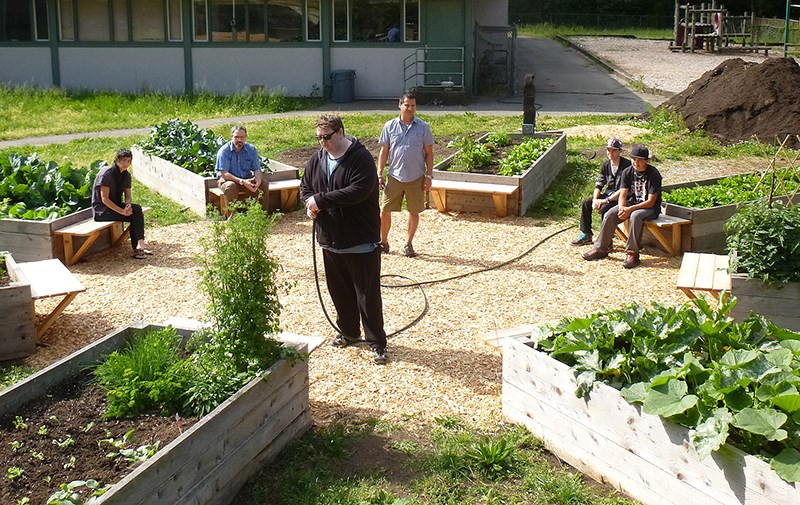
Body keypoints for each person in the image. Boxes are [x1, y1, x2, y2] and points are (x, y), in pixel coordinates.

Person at [300, 113, 389, 365]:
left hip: (360, 240)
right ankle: (348, 332)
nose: (322, 143)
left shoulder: (360, 159)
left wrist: (321, 200)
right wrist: (309, 203)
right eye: (319, 138)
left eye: (327, 137)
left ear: (340, 132)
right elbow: (306, 187)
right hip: (330, 240)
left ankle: (377, 343)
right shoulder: (317, 159)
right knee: (339, 291)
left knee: (366, 295)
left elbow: (358, 191)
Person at [582, 145, 662, 269]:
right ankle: (601, 248)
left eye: (640, 160)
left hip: (649, 208)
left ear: (647, 161)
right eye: (634, 159)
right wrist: (621, 208)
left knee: (635, 216)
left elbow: (651, 201)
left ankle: (632, 253)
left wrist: (629, 210)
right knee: (610, 214)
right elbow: (623, 194)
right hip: (632, 203)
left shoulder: (653, 174)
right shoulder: (628, 171)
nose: (636, 163)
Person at [378, 91, 434, 257]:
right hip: (394, 176)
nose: (410, 108)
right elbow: (384, 151)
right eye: (407, 105)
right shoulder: (389, 126)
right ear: (400, 105)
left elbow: (429, 152)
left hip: (416, 177)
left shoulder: (424, 127)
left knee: (414, 212)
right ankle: (384, 242)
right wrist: (379, 173)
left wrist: (429, 176)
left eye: (413, 106)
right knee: (384, 210)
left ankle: (408, 244)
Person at [571, 138, 632, 246]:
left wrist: (604, 201)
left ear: (620, 151)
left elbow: (624, 190)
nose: (610, 153)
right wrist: (595, 200)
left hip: (621, 198)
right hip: (608, 195)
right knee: (586, 203)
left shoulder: (627, 166)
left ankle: (606, 241)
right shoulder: (606, 165)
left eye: (614, 150)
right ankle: (586, 234)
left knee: (605, 209)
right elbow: (599, 184)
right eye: (608, 150)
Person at [92, 148, 150, 259]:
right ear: (117, 160)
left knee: (136, 209)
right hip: (102, 210)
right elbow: (104, 199)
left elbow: (128, 195)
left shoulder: (126, 175)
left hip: (116, 206)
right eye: (123, 160)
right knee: (134, 215)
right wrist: (122, 211)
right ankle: (138, 247)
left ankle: (140, 242)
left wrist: (128, 206)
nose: (126, 164)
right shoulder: (106, 174)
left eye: (128, 161)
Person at [215, 125, 269, 213]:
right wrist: (241, 181)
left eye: (242, 137)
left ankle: (261, 214)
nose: (239, 140)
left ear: (246, 137)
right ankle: (232, 217)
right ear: (231, 137)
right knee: (230, 187)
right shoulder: (224, 151)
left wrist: (258, 179)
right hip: (228, 179)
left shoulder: (251, 149)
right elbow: (224, 173)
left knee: (264, 183)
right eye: (236, 137)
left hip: (246, 178)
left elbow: (257, 169)